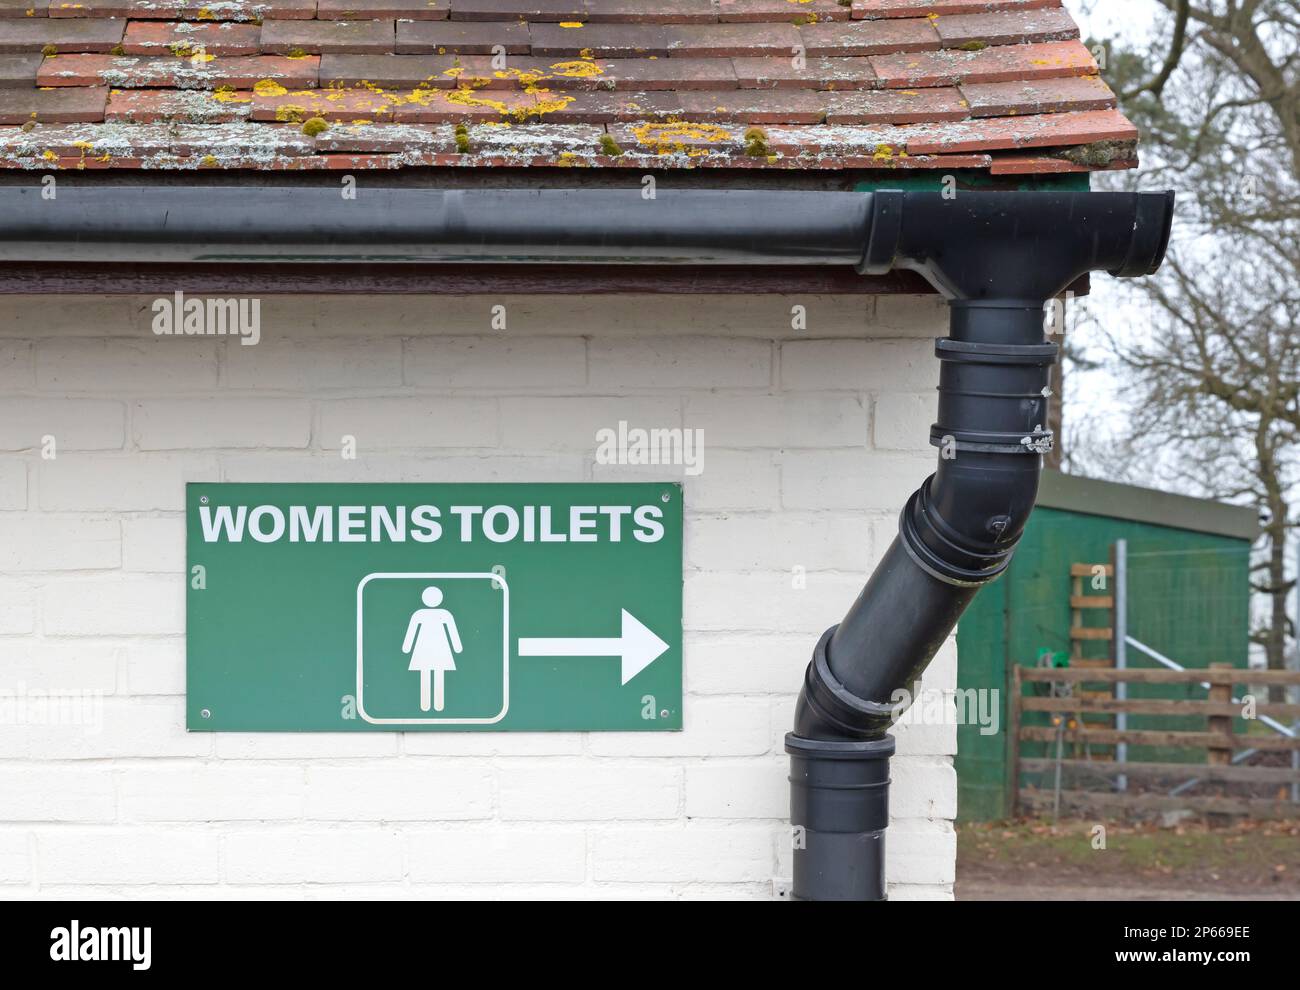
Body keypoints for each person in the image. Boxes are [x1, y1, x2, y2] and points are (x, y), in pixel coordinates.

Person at [401, 586, 463, 712]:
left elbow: (452, 630)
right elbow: (412, 631)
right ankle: (428, 704)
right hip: (430, 647)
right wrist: (457, 647)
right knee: (429, 673)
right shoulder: (425, 614)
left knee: (432, 673)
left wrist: (407, 647)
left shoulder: (439, 614)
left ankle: (434, 704)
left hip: (434, 647)